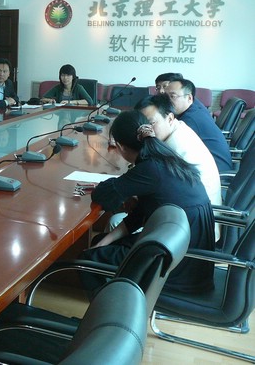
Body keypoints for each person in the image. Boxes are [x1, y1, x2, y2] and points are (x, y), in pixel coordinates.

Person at [81, 110, 214, 294]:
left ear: (119, 146)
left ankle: (110, 309)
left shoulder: (150, 169)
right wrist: (104, 242)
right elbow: (138, 216)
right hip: (186, 253)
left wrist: (125, 191)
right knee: (99, 242)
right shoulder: (165, 157)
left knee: (86, 261)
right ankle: (117, 296)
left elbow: (102, 195)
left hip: (176, 265)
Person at [135, 95, 221, 205]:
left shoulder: (174, 149)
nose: (145, 130)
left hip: (199, 210)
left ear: (170, 118)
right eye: (141, 125)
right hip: (191, 204)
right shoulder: (178, 128)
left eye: (151, 123)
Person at [166, 79, 233, 172]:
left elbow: (171, 148)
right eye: (165, 97)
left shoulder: (190, 120)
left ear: (189, 98)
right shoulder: (194, 110)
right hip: (212, 167)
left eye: (172, 96)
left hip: (216, 172)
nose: (166, 101)